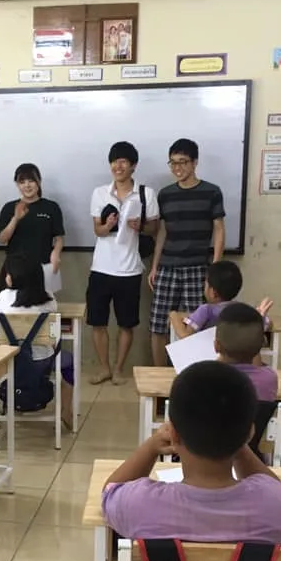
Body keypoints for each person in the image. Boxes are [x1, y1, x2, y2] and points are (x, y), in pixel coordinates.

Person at [101, 361, 281, 561]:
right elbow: (279, 493)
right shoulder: (274, 506)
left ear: (174, 433)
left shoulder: (140, 504)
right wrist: (240, 444)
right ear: (249, 432)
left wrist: (153, 446)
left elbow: (110, 490)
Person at [148, 139, 226, 365]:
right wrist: (155, 266)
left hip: (197, 268)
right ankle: (160, 375)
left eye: (182, 162)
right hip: (167, 267)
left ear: (195, 163)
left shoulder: (211, 192)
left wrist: (215, 270)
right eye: (172, 163)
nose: (177, 168)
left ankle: (194, 373)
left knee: (197, 325)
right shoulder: (165, 194)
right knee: (158, 324)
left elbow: (219, 229)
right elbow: (161, 231)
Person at [88, 141, 159, 385]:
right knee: (97, 322)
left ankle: (119, 369)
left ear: (133, 166)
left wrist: (142, 227)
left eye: (123, 161)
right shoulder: (99, 193)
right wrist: (106, 226)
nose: (118, 166)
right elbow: (97, 229)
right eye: (114, 161)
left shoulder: (145, 194)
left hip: (130, 269)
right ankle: (104, 367)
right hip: (101, 267)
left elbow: (154, 227)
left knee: (126, 323)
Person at [0, 254, 74, 426]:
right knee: (70, 362)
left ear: (13, 277)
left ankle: (4, 410)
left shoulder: (2, 298)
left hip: (8, 360)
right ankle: (66, 411)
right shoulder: (49, 300)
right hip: (42, 361)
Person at [0, 163, 64, 296]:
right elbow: (2, 239)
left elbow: (59, 238)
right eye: (22, 182)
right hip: (14, 270)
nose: (27, 185)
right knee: (11, 310)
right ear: (17, 184)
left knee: (43, 310)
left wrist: (56, 253)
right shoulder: (9, 207)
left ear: (39, 182)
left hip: (43, 268)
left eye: (31, 180)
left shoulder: (51, 207)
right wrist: (15, 218)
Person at [185, 260, 273, 332]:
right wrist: (260, 316)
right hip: (233, 352)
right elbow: (265, 326)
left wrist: (174, 316)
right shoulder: (241, 310)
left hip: (205, 352)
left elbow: (187, 333)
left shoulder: (206, 310)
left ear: (213, 292)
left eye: (206, 284)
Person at [215, 303, 279, 402]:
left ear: (216, 346)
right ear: (262, 344)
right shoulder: (269, 378)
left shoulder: (206, 381)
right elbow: (256, 366)